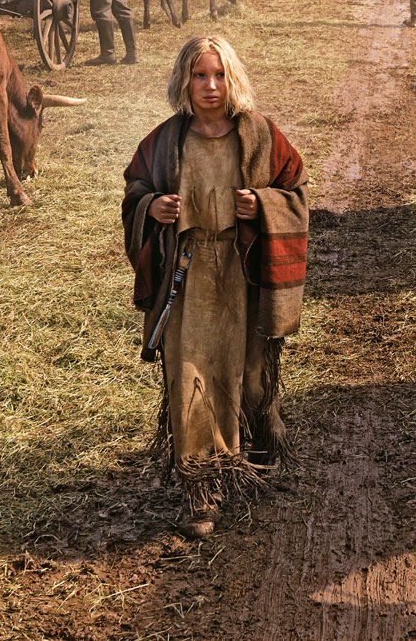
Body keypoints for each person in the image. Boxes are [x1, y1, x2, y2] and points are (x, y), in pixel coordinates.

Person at [122, 36, 309, 538]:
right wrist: (152, 207)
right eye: (200, 75)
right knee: (191, 378)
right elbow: (135, 191)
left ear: (233, 79)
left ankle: (257, 446)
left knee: (249, 373)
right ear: (184, 80)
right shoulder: (165, 141)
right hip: (188, 278)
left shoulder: (260, 135)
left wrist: (263, 204)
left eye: (220, 75)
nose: (210, 86)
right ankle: (202, 490)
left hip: (243, 272)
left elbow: (295, 191)